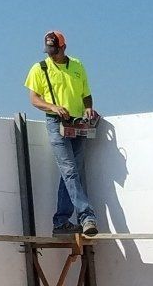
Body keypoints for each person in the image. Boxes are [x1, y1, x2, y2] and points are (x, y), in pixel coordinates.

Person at [25, 29, 99, 236]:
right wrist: (53, 107)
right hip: (56, 123)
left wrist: (88, 108)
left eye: (55, 49)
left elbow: (87, 95)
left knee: (71, 172)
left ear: (63, 47)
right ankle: (86, 216)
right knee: (69, 170)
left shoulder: (77, 65)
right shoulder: (39, 68)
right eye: (49, 49)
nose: (51, 53)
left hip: (78, 124)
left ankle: (61, 221)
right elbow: (34, 99)